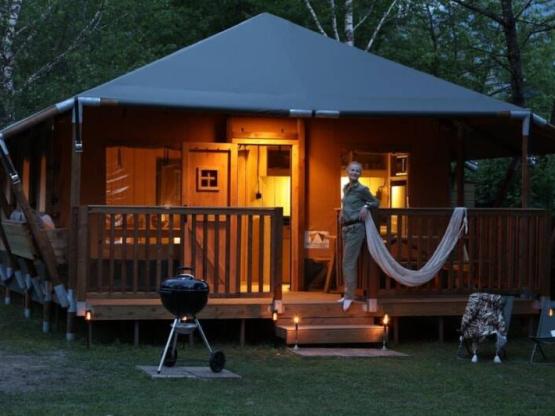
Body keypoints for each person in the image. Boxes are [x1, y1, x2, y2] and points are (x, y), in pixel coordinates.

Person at [339, 161, 379, 311]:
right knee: (346, 262)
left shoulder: (362, 189)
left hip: (356, 229)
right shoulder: (346, 188)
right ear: (347, 171)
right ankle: (347, 294)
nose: (355, 172)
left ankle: (349, 296)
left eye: (357, 171)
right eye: (352, 170)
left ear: (360, 173)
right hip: (346, 228)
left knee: (348, 262)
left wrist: (366, 206)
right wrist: (342, 212)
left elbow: (375, 202)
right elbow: (347, 204)